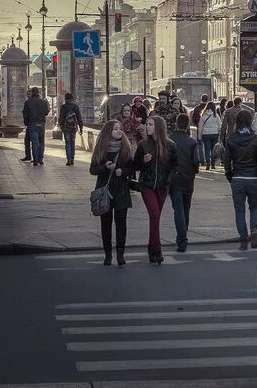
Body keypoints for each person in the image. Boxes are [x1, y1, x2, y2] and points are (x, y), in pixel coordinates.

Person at [89, 120, 135, 266]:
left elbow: (132, 169)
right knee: (106, 224)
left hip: (121, 190)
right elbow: (92, 170)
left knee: (121, 223)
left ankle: (120, 254)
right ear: (108, 131)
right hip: (105, 191)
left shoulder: (126, 148)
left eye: (120, 128)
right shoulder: (101, 149)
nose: (119, 131)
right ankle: (108, 255)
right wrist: (105, 167)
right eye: (116, 129)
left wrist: (123, 171)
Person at [224, 109, 257, 251]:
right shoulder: (256, 139)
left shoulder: (231, 139)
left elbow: (227, 160)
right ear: (250, 122)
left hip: (237, 177)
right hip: (253, 177)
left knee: (239, 210)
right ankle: (254, 230)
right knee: (254, 206)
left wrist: (229, 174)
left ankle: (243, 239)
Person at [135, 114, 174, 264]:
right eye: (147, 124)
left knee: (155, 218)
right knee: (155, 215)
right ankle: (157, 249)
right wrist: (143, 161)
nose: (147, 127)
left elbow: (175, 166)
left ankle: (152, 248)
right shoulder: (143, 144)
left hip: (163, 187)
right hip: (147, 185)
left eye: (150, 125)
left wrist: (169, 181)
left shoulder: (170, 145)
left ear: (158, 127)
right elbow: (135, 165)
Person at [167, 113, 199, 253]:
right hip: (188, 178)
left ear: (176, 123)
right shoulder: (191, 142)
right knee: (186, 209)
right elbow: (196, 161)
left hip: (175, 179)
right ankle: (183, 236)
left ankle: (181, 239)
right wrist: (194, 171)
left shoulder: (169, 140)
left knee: (178, 210)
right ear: (187, 125)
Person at [22, 87, 49, 166]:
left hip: (32, 124)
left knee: (34, 142)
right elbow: (46, 112)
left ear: (32, 93)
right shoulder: (43, 102)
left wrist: (26, 123)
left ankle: (35, 160)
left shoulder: (28, 102)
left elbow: (25, 114)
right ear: (38, 93)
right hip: (41, 124)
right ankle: (40, 159)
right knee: (41, 142)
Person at [57, 93, 83, 166]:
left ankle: (68, 160)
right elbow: (79, 118)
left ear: (65, 99)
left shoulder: (63, 107)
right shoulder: (75, 107)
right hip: (73, 127)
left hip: (66, 128)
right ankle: (72, 159)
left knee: (68, 143)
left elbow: (61, 118)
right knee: (72, 143)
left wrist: (61, 126)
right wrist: (81, 127)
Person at [197, 101, 223, 171]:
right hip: (214, 134)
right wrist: (219, 132)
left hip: (205, 134)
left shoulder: (203, 115)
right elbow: (220, 125)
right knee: (213, 149)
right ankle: (213, 163)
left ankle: (208, 162)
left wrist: (199, 136)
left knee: (207, 149)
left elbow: (200, 127)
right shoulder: (216, 115)